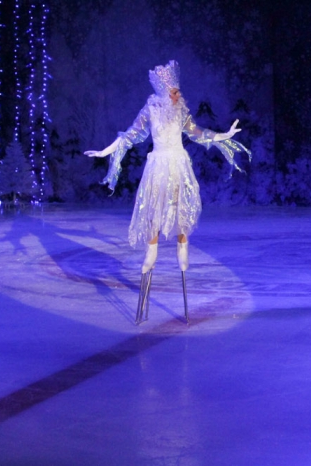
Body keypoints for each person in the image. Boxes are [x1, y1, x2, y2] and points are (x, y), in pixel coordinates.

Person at [85, 60, 250, 323]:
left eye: (178, 91)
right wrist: (105, 151)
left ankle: (183, 245)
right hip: (158, 165)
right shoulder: (150, 110)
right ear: (163, 91)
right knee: (153, 208)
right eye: (174, 91)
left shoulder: (181, 111)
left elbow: (198, 133)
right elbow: (129, 136)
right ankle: (151, 250)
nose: (178, 95)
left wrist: (225, 135)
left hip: (178, 163)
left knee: (181, 205)